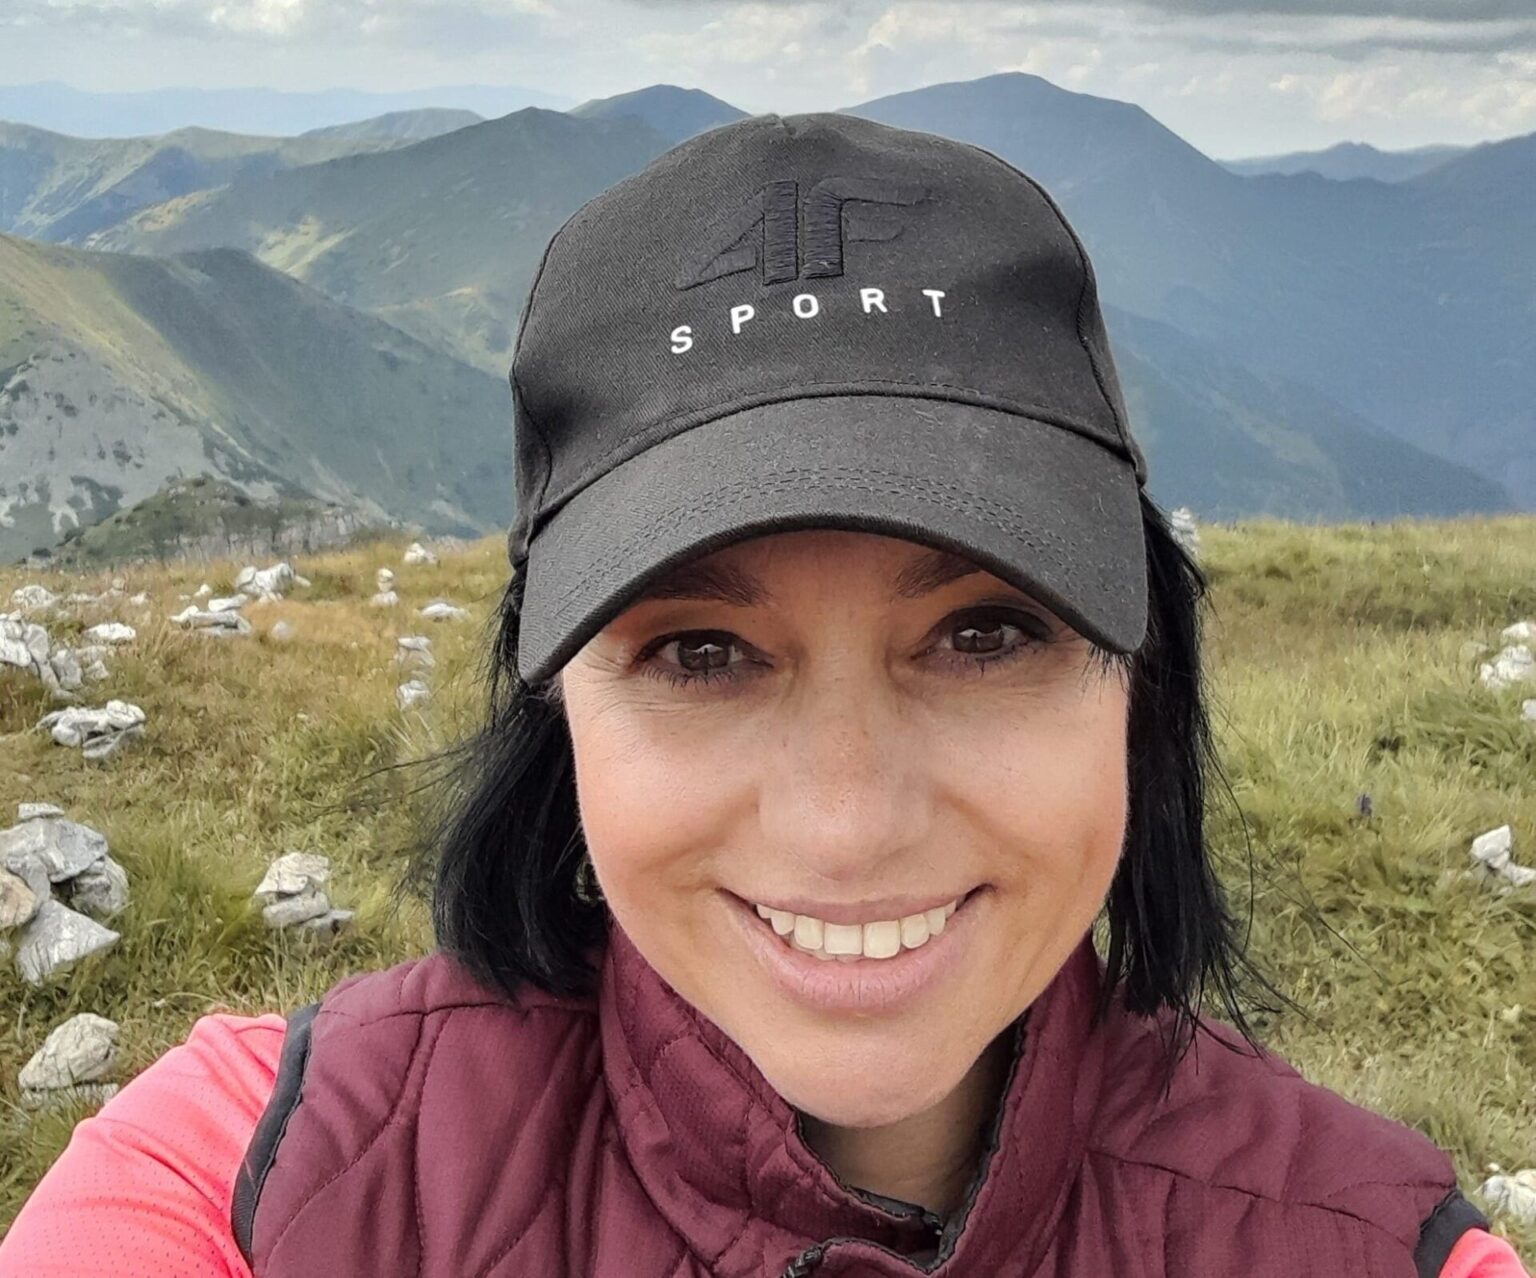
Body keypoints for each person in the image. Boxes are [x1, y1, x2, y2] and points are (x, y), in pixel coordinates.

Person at [0, 112, 1527, 1278]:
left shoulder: (1370, 1243)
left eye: (987, 631)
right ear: (557, 703)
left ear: (1140, 677)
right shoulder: (250, 1180)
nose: (848, 824)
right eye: (701, 652)